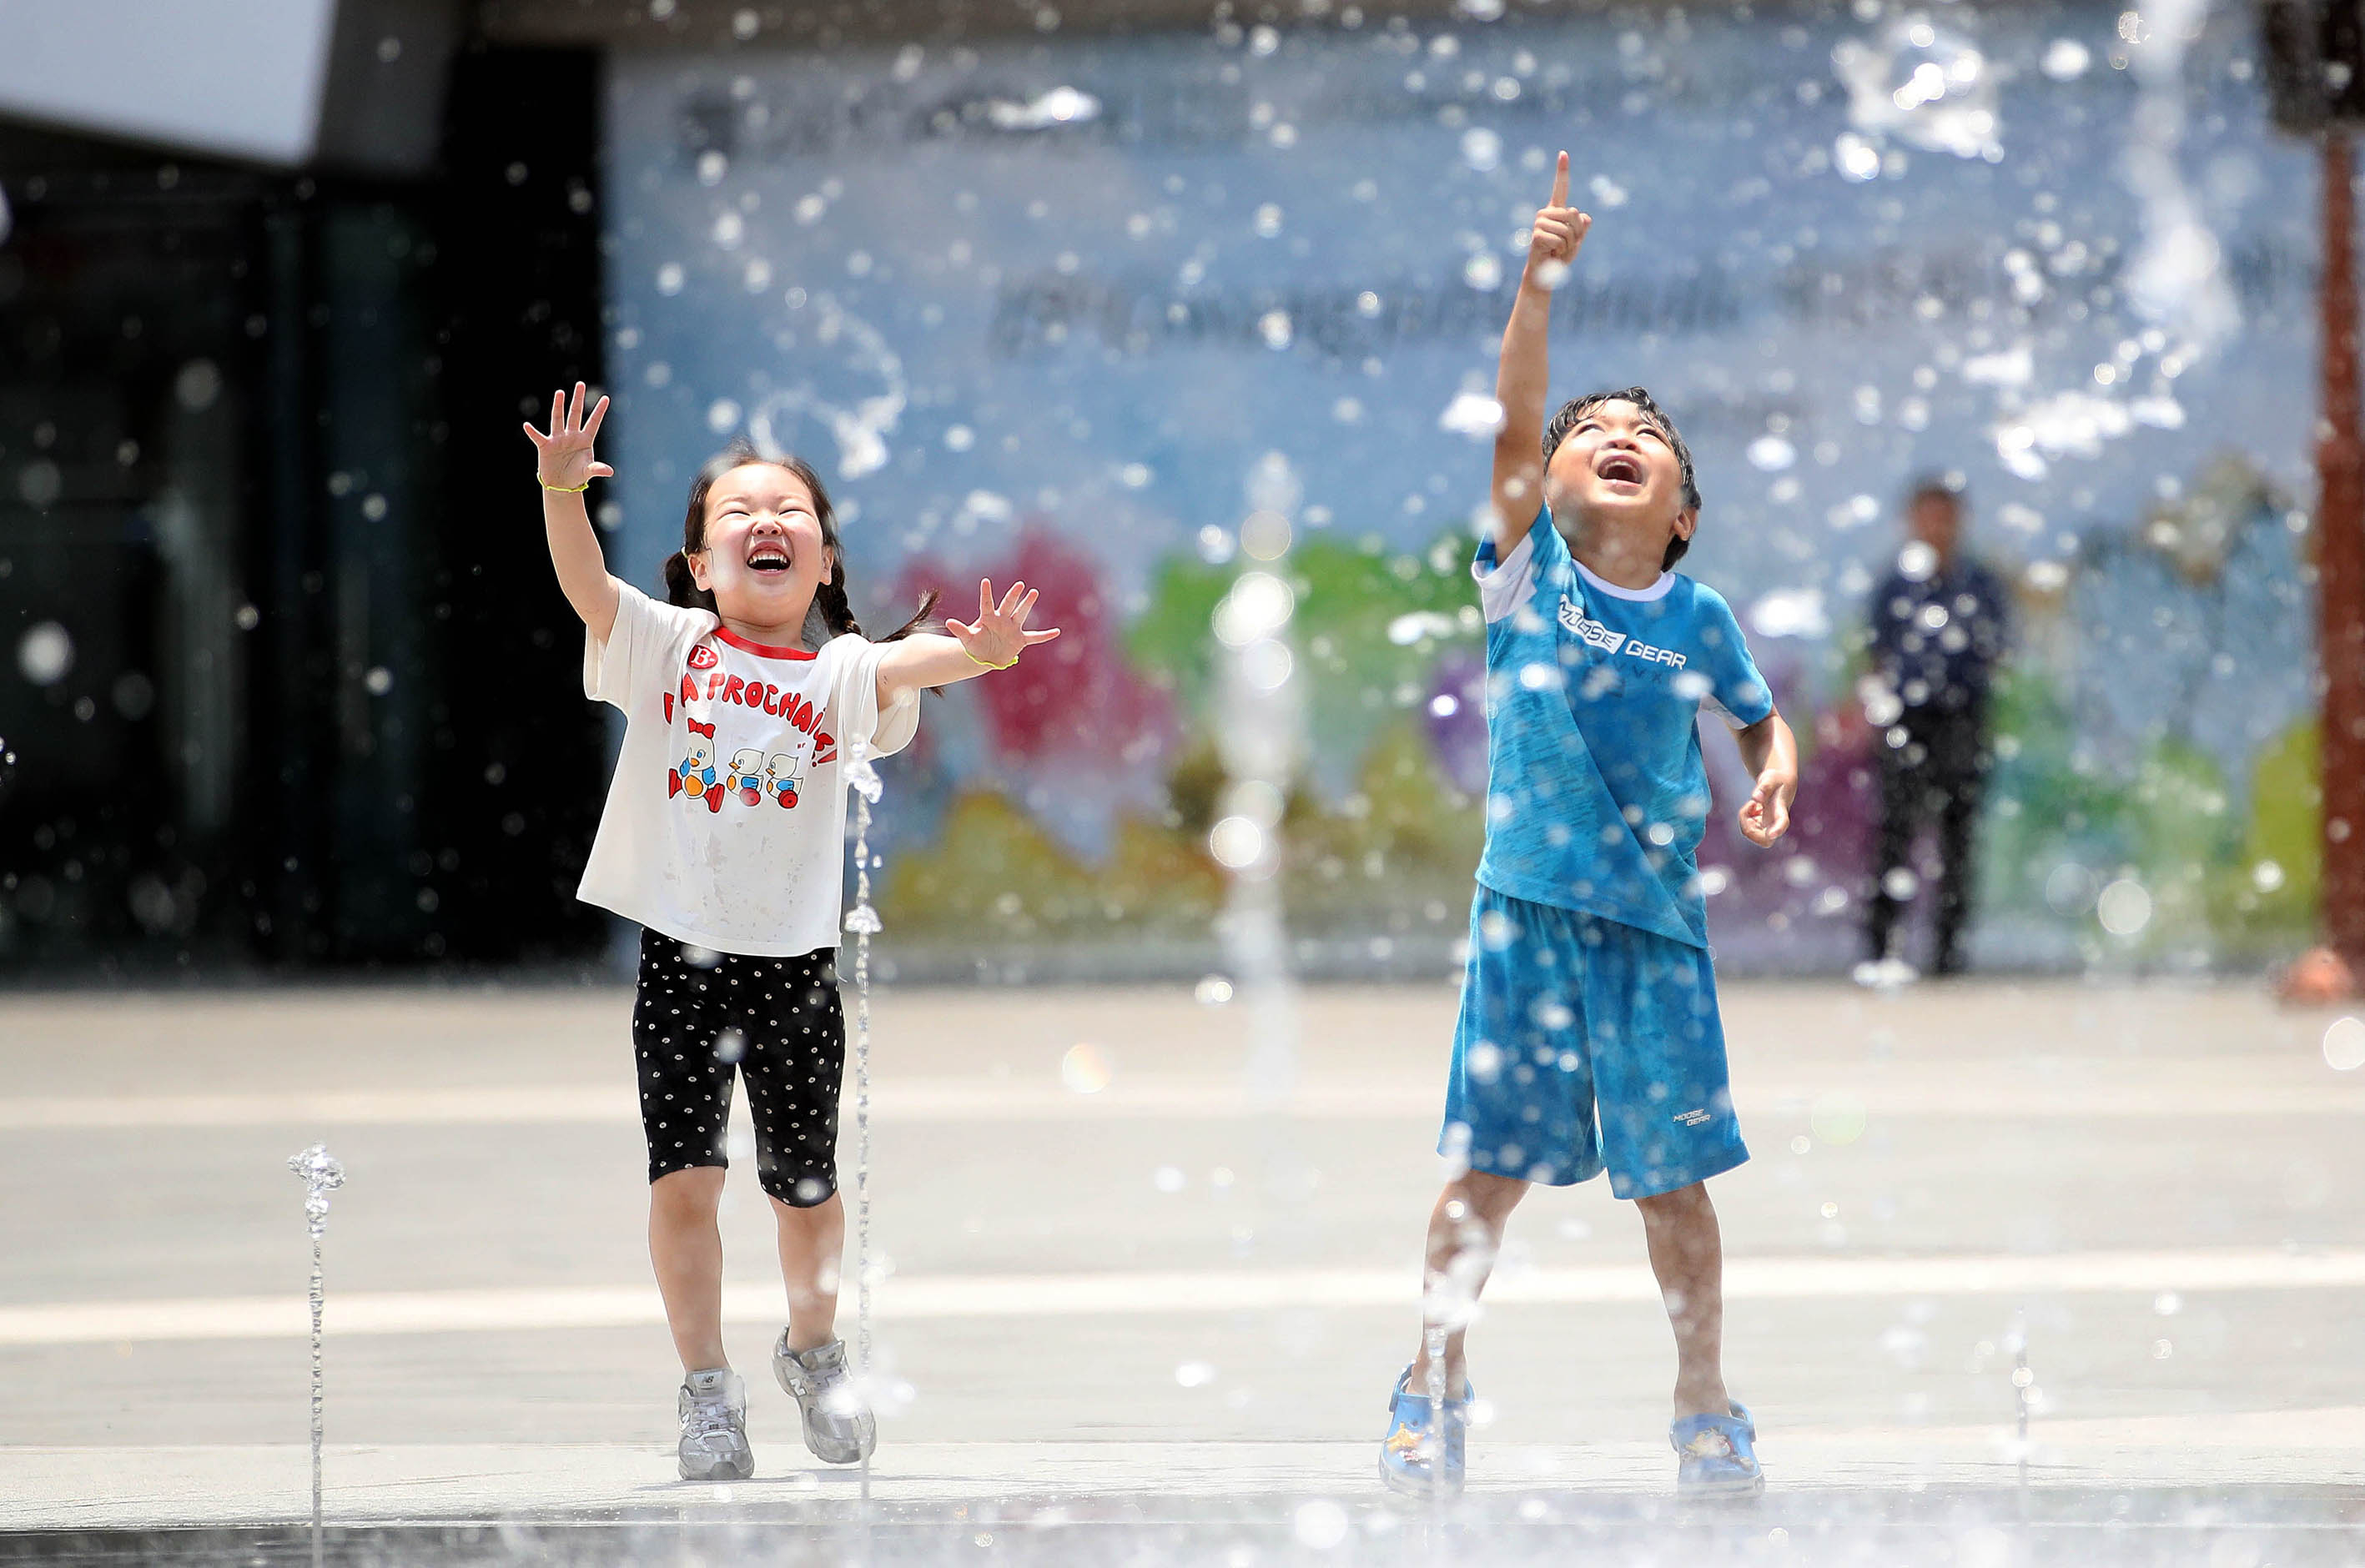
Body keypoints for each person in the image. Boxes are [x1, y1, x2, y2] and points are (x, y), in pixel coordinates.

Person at [524, 385, 1059, 1481]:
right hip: (680, 961)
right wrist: (559, 491)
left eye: (790, 513)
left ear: (822, 566)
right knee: (684, 1181)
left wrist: (982, 656)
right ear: (697, 566)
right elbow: (586, 587)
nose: (765, 521)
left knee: (803, 1191)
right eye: (738, 512)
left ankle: (813, 1351)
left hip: (795, 973)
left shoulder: (836, 673)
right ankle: (706, 1390)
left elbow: (912, 664)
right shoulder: (667, 648)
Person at [1377, 155, 1799, 1501]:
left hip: (1656, 937)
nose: (1614, 432)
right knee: (1487, 1177)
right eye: (1587, 430)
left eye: (1647, 436)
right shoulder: (1526, 579)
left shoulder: (1700, 615)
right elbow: (1510, 418)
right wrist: (1537, 283)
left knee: (1674, 1190)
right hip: (1527, 922)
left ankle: (1704, 1401)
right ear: (1545, 486)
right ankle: (1427, 1380)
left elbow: (1756, 715)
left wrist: (1770, 768)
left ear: (1681, 515)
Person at [1861, 479, 2010, 978]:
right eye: (1927, 516)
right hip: (1908, 719)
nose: (1936, 527)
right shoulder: (1894, 582)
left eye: (1945, 517)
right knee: (1896, 832)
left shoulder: (1981, 581)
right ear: (1911, 522)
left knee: (1958, 837)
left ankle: (1949, 954)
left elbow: (1998, 647)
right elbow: (1876, 651)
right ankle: (1880, 949)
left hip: (1963, 716)